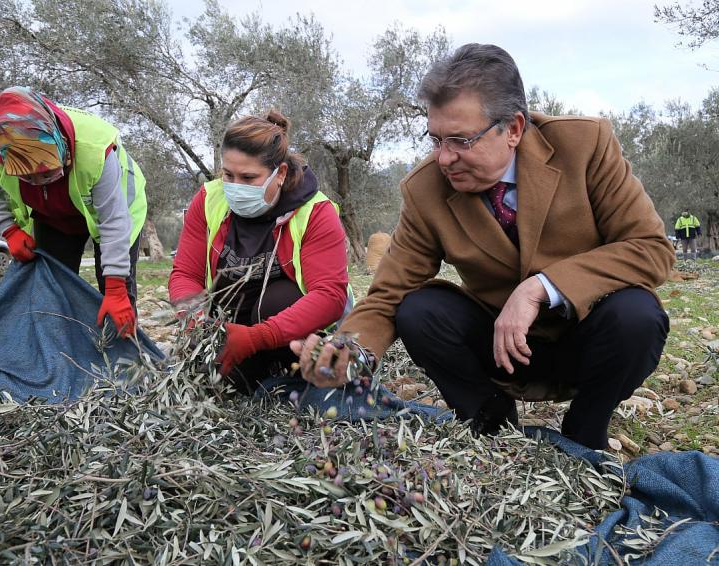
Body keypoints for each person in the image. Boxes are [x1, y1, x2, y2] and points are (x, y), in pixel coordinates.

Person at [291, 44, 675, 450]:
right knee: (419, 310)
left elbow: (650, 247)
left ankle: (585, 430)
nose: (444, 158)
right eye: (436, 139)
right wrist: (349, 351)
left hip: (588, 340)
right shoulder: (425, 188)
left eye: (460, 140)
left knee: (637, 315)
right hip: (501, 350)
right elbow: (389, 293)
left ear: (513, 129)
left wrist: (540, 287)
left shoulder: (584, 145)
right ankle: (492, 425)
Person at [169, 110, 350, 392]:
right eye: (228, 175)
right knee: (222, 385)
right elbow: (185, 273)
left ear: (280, 174)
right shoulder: (208, 199)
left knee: (275, 301)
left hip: (291, 328)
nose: (235, 186)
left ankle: (284, 368)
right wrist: (195, 319)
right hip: (231, 322)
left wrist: (258, 337)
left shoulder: (316, 212)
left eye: (248, 177)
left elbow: (329, 295)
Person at [0, 87, 147, 337]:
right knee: (52, 288)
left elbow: (114, 221)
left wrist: (115, 287)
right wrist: (9, 229)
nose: (40, 183)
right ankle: (60, 350)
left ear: (63, 149)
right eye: (28, 178)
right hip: (52, 217)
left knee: (117, 294)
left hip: (117, 210)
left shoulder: (94, 149)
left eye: (48, 174)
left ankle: (124, 353)